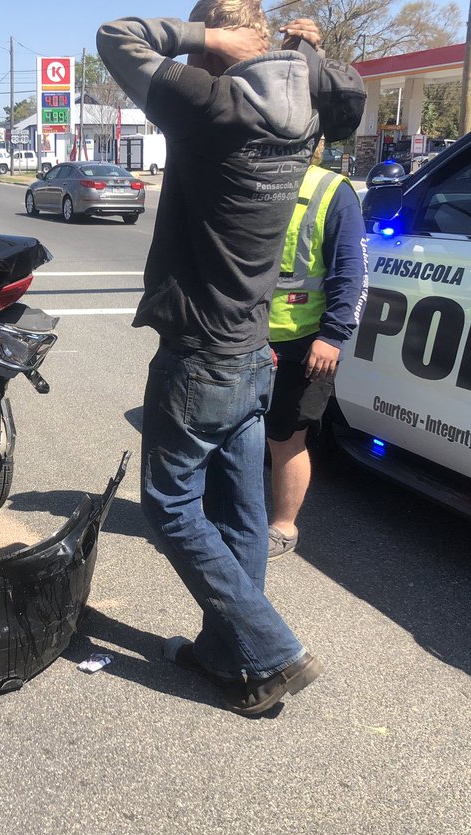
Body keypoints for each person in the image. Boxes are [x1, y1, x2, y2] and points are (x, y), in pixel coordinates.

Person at [96, 3, 364, 716]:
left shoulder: (210, 105)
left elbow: (116, 37)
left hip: (201, 354)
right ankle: (227, 654)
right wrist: (306, 53)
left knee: (170, 505)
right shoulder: (307, 114)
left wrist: (209, 39)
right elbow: (349, 94)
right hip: (251, 350)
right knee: (242, 513)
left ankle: (272, 649)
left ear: (223, 46)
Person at [266, 145, 368, 558]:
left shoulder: (332, 190)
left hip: (304, 341)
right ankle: (227, 518)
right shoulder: (255, 179)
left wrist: (333, 335)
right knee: (232, 433)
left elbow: (351, 272)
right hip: (244, 335)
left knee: (288, 438)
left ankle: (282, 527)